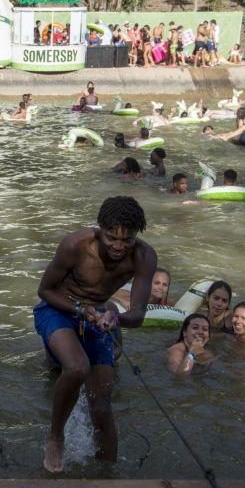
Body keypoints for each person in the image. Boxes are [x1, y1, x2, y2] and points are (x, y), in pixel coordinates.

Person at [35, 196, 157, 472]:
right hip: (59, 308)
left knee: (101, 405)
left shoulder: (144, 257)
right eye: (111, 237)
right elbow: (44, 291)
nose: (118, 246)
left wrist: (116, 318)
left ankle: (107, 475)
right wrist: (79, 309)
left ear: (137, 236)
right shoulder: (75, 244)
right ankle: (56, 436)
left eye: (127, 240)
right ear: (99, 228)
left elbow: (138, 315)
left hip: (100, 315)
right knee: (77, 367)